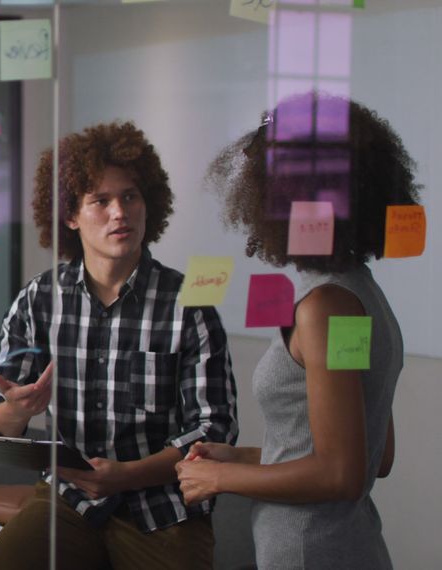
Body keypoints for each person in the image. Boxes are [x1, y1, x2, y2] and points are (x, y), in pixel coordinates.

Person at [0, 122, 238, 570]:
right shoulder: (39, 299)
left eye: (131, 196)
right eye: (101, 200)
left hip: (163, 508)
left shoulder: (190, 304)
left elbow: (215, 427)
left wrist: (128, 476)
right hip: (67, 498)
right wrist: (17, 411)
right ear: (70, 216)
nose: (120, 212)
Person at [177, 93, 416, 569]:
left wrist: (219, 480)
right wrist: (240, 459)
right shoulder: (354, 295)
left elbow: (340, 474)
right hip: (347, 545)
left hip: (310, 552)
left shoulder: (325, 308)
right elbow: (373, 455)